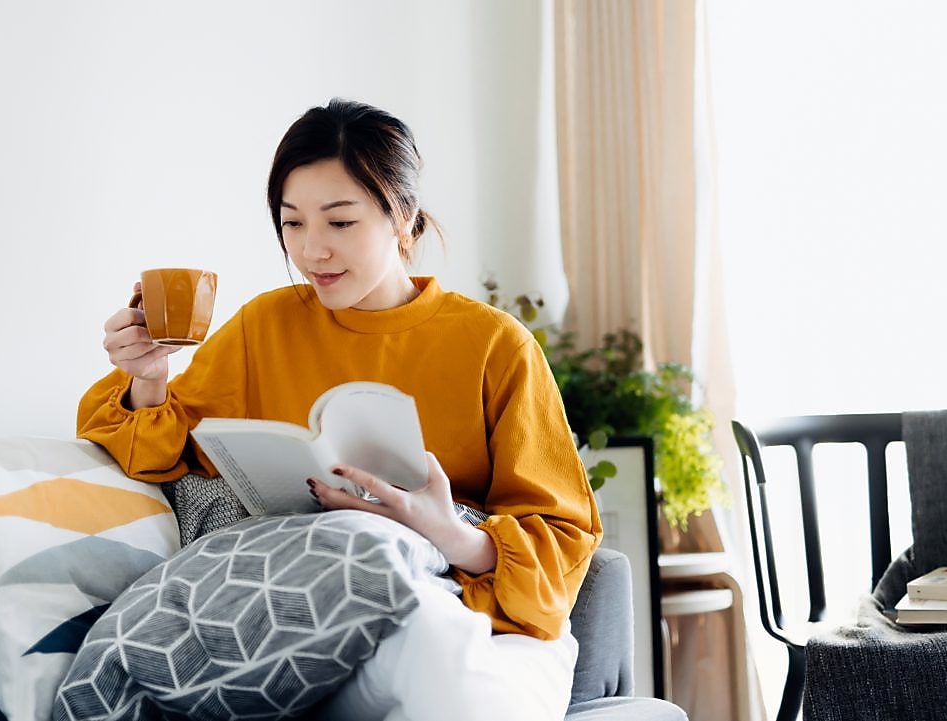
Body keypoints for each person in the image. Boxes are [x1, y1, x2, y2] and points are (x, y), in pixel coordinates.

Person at [76, 98, 601, 721]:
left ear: (401, 217)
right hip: (312, 610)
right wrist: (150, 379)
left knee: (445, 673)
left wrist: (446, 532)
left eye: (340, 223)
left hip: (472, 608)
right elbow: (161, 454)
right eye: (292, 223)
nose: (311, 251)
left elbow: (562, 539)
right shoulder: (265, 326)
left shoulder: (494, 345)